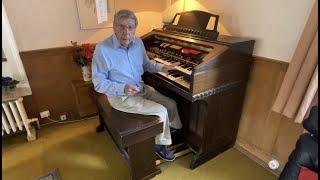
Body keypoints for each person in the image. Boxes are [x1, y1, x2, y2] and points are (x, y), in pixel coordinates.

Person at [92, 9, 182, 161]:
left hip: (141, 89)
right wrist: (122, 88)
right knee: (161, 111)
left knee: (171, 104)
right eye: (121, 26)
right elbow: (98, 83)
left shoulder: (138, 42)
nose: (126, 32)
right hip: (121, 97)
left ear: (135, 28)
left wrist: (162, 67)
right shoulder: (102, 49)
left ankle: (169, 131)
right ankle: (159, 146)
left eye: (130, 27)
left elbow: (146, 64)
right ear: (114, 27)